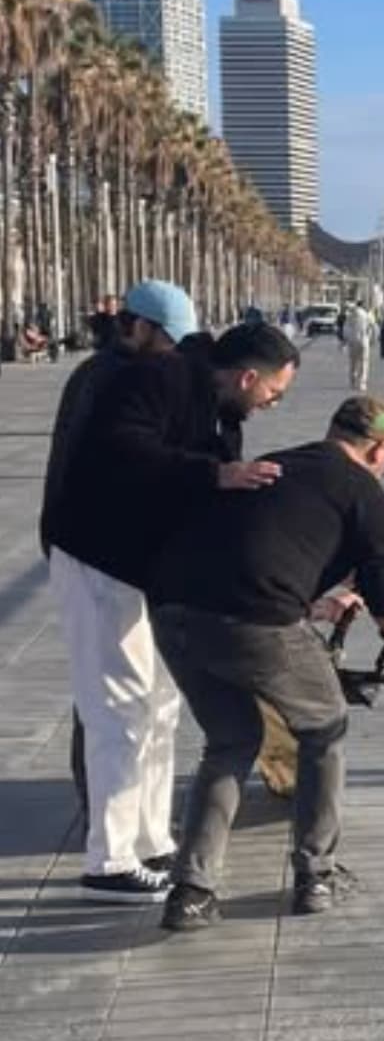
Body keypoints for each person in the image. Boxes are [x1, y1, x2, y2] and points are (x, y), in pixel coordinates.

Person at [149, 394, 384, 932]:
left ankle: (191, 892)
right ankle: (316, 875)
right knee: (325, 728)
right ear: (379, 449)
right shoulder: (365, 493)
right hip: (256, 623)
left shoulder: (278, 463)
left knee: (232, 740)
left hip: (173, 612)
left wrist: (312, 603)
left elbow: (258, 553)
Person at [43, 320, 301, 903]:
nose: (272, 404)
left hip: (150, 573)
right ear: (247, 377)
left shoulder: (221, 416)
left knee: (160, 705)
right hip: (97, 558)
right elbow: (120, 450)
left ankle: (150, 839)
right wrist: (215, 474)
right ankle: (109, 861)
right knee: (118, 706)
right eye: (274, 392)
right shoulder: (159, 380)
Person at [40, 280, 195, 810]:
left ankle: (120, 814)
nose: (174, 352)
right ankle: (102, 813)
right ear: (139, 326)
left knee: (126, 691)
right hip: (93, 551)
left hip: (107, 550)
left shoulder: (114, 372)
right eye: (169, 339)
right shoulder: (110, 378)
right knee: (110, 695)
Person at [343, 300, 374, 390]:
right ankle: (362, 383)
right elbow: (372, 327)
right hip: (364, 341)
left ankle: (353, 381)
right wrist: (371, 339)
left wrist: (346, 339)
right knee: (364, 362)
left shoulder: (350, 315)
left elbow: (346, 328)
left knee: (353, 362)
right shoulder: (368, 315)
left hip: (353, 341)